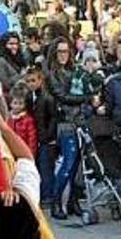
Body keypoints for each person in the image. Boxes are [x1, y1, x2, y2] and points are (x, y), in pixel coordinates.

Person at [45, 37, 88, 220]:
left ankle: (73, 201)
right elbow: (62, 96)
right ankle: (56, 202)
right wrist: (85, 97)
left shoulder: (75, 70)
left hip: (79, 120)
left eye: (66, 51)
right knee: (68, 164)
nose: (63, 55)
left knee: (78, 165)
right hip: (64, 123)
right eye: (60, 51)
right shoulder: (52, 74)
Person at [24, 66, 56, 207]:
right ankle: (40, 194)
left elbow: (53, 118)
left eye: (33, 81)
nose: (30, 84)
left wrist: (49, 136)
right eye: (28, 81)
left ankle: (47, 196)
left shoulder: (47, 98)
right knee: (36, 166)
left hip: (45, 138)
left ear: (40, 81)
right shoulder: (29, 97)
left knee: (45, 167)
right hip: (34, 136)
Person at [8, 85, 38, 155]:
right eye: (15, 103)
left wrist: (30, 154)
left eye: (20, 103)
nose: (17, 106)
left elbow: (32, 139)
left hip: (23, 151)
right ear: (10, 104)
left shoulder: (28, 120)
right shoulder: (8, 118)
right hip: (10, 151)